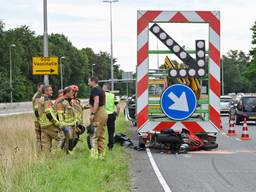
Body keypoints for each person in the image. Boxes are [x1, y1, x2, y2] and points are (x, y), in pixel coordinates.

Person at [88, 77, 108, 160]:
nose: (88, 83)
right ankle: (101, 155)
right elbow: (104, 102)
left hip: (98, 113)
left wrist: (93, 113)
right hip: (103, 112)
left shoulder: (94, 89)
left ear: (93, 81)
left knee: (94, 135)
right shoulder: (101, 90)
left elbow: (96, 101)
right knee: (101, 135)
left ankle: (94, 156)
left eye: (89, 82)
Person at [37, 85, 60, 152]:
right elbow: (48, 112)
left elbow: (37, 111)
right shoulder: (46, 99)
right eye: (50, 90)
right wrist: (55, 122)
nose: (52, 91)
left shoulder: (40, 99)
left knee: (45, 144)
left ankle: (46, 159)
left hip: (43, 125)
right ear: (46, 91)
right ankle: (60, 154)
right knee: (62, 137)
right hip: (49, 124)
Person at [55, 87, 77, 154]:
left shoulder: (70, 100)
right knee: (68, 138)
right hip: (65, 124)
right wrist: (62, 124)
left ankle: (67, 152)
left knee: (72, 138)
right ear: (67, 93)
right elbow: (59, 114)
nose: (73, 93)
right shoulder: (61, 101)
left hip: (72, 123)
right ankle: (63, 152)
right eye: (71, 92)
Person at [103, 84, 120, 150]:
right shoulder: (113, 96)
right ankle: (110, 147)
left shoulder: (102, 95)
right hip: (111, 115)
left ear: (105, 88)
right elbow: (118, 107)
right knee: (111, 132)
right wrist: (117, 115)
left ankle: (101, 146)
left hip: (103, 115)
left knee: (101, 131)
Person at [32, 82, 44, 152]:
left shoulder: (40, 95)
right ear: (38, 87)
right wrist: (39, 119)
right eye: (41, 87)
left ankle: (41, 150)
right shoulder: (37, 96)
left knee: (42, 136)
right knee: (39, 137)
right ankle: (39, 151)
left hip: (39, 118)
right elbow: (36, 110)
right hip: (38, 119)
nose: (42, 89)